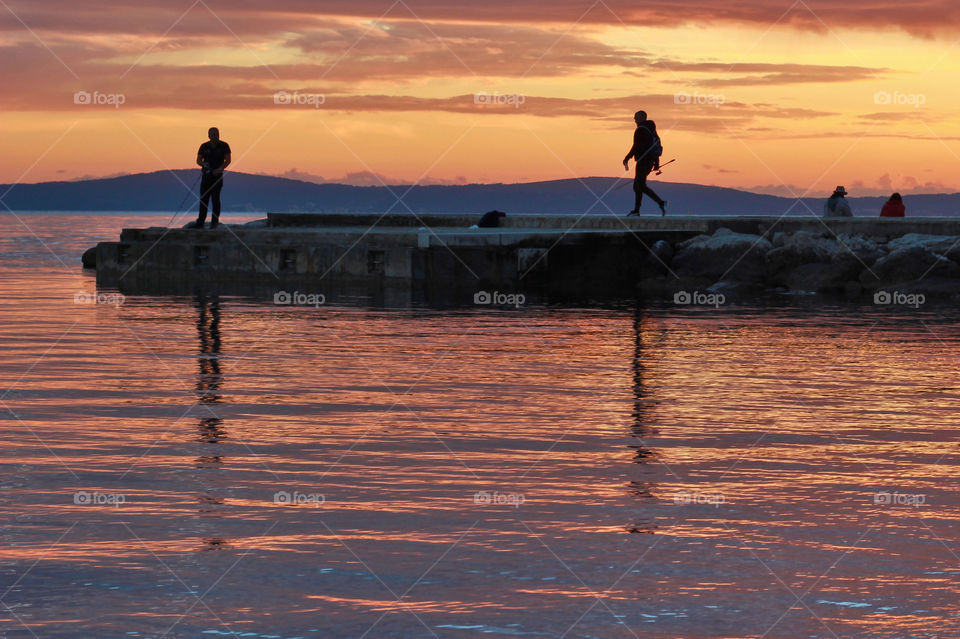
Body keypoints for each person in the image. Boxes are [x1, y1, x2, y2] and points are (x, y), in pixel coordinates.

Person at [623, 111, 667, 216]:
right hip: (649, 162)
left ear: (641, 118)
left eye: (636, 117)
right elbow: (654, 145)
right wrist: (656, 162)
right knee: (637, 185)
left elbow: (636, 146)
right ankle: (637, 210)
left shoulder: (640, 130)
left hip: (643, 162)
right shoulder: (651, 129)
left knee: (640, 185)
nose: (634, 119)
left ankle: (661, 203)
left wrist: (627, 158)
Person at [193, 127, 231, 229]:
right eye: (213, 134)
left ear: (219, 135)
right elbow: (198, 160)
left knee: (215, 199)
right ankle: (200, 222)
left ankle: (214, 223)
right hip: (206, 176)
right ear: (209, 136)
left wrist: (220, 169)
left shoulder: (224, 145)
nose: (215, 136)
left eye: (216, 134)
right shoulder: (204, 146)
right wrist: (203, 164)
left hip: (217, 176)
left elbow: (228, 160)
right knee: (204, 199)